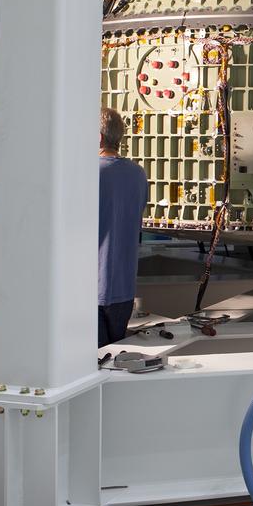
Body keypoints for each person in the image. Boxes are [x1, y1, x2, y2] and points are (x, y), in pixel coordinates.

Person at [98, 107, 148, 347]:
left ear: (98, 138)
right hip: (124, 289)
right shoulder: (138, 174)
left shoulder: (87, 174)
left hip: (89, 290)